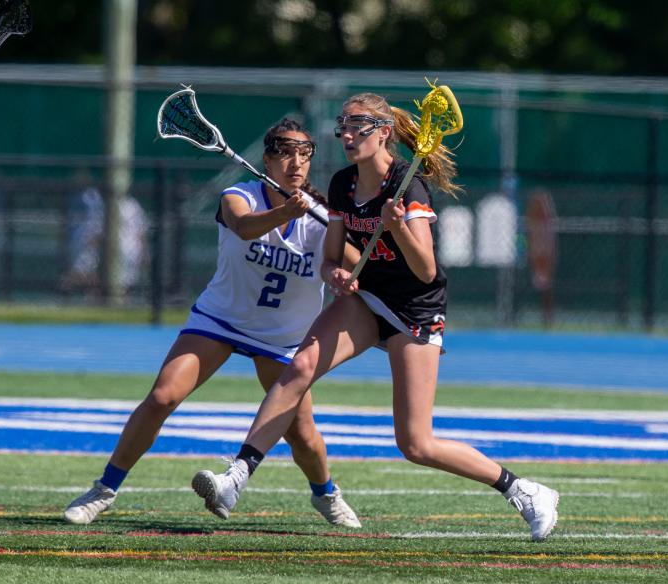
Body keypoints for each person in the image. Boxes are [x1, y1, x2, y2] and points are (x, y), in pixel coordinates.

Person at [191, 93, 559, 541]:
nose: (346, 135)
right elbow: (329, 259)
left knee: (416, 444)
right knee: (299, 367)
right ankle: (237, 477)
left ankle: (523, 489)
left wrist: (398, 225)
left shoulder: (409, 185)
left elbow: (426, 270)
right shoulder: (344, 183)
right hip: (369, 299)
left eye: (357, 127)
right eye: (342, 126)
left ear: (383, 132)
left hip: (414, 309)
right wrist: (338, 275)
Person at [64, 118, 361, 528]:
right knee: (163, 397)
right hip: (221, 320)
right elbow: (242, 227)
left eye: (305, 154)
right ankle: (103, 490)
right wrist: (284, 212)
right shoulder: (238, 195)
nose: (297, 163)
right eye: (287, 153)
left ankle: (326, 493)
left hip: (283, 337)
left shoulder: (323, 217)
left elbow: (350, 264)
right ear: (268, 159)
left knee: (302, 433)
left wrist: (349, 267)